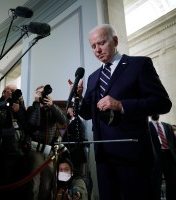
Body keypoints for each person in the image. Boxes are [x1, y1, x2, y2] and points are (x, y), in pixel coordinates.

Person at [76, 24, 172, 200]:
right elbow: (89, 114)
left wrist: (121, 105)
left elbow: (163, 103)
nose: (97, 50)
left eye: (101, 43)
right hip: (104, 158)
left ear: (115, 40)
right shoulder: (93, 77)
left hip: (133, 156)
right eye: (93, 46)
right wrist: (78, 98)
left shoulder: (139, 64)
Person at [26, 85, 67, 200]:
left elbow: (63, 120)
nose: (42, 95)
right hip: (36, 152)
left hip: (49, 152)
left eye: (44, 93)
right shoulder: (31, 108)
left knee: (47, 185)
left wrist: (52, 105)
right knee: (34, 185)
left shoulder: (52, 109)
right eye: (39, 93)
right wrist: (37, 105)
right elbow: (34, 123)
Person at [149, 114, 176, 200]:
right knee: (156, 182)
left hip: (169, 156)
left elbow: (174, 143)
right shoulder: (147, 127)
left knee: (172, 182)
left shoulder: (167, 126)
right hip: (156, 157)